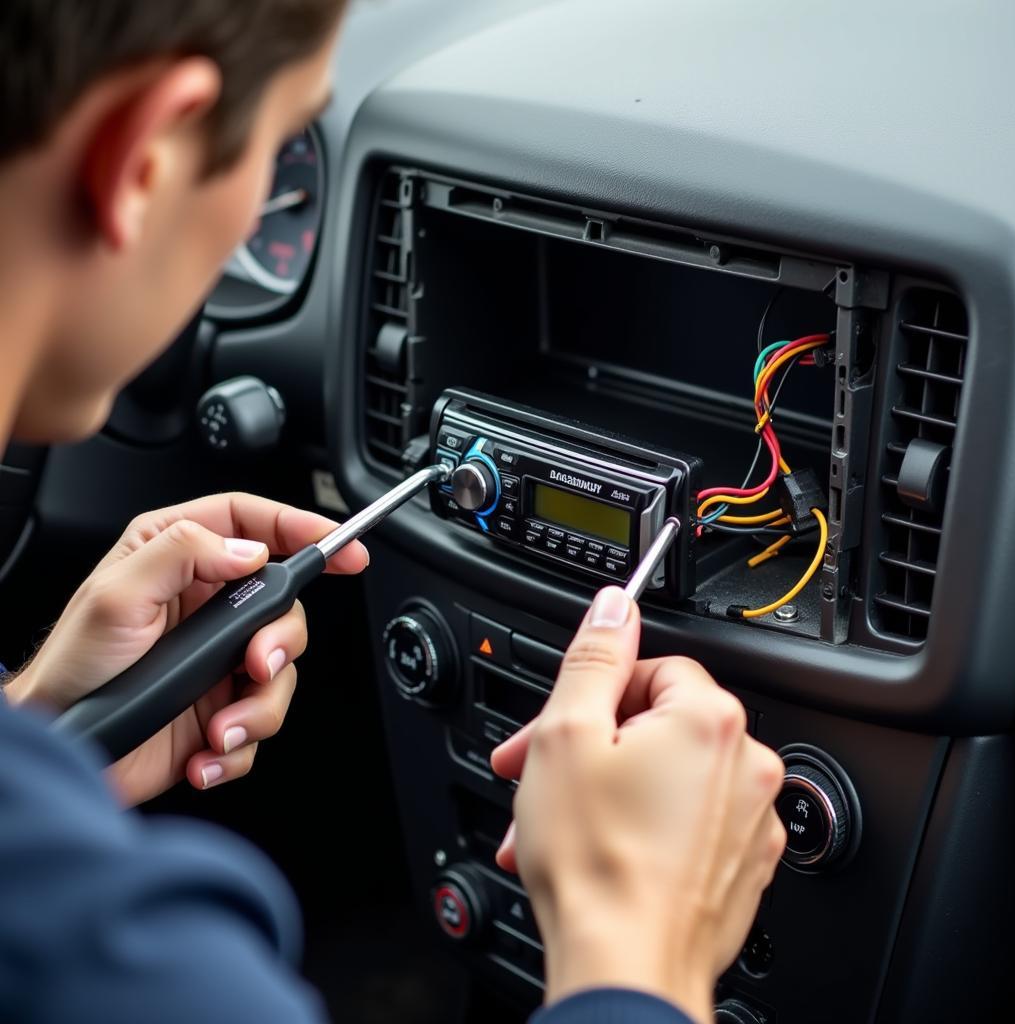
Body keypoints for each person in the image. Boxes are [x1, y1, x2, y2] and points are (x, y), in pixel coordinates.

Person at [0, 2, 786, 1022]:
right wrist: (638, 942)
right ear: (142, 158)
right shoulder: (111, 952)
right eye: (286, 143)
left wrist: (51, 732)